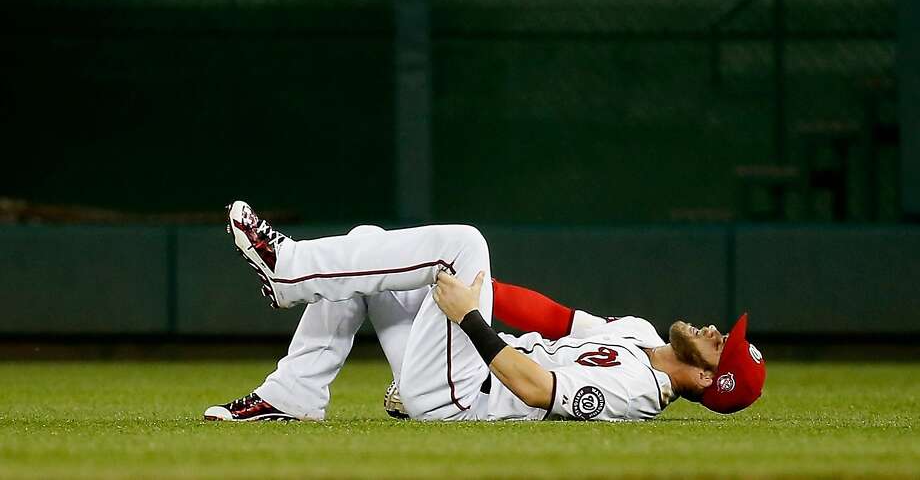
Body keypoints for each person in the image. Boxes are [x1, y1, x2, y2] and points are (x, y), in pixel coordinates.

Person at [204, 201, 766, 422]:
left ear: (710, 378)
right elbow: (552, 318)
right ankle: (293, 395)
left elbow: (535, 388)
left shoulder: (639, 394)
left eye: (723, 345)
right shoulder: (641, 333)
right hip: (455, 368)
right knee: (370, 246)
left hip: (464, 397)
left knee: (465, 239)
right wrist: (472, 288)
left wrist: (472, 316)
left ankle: (290, 269)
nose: (716, 330)